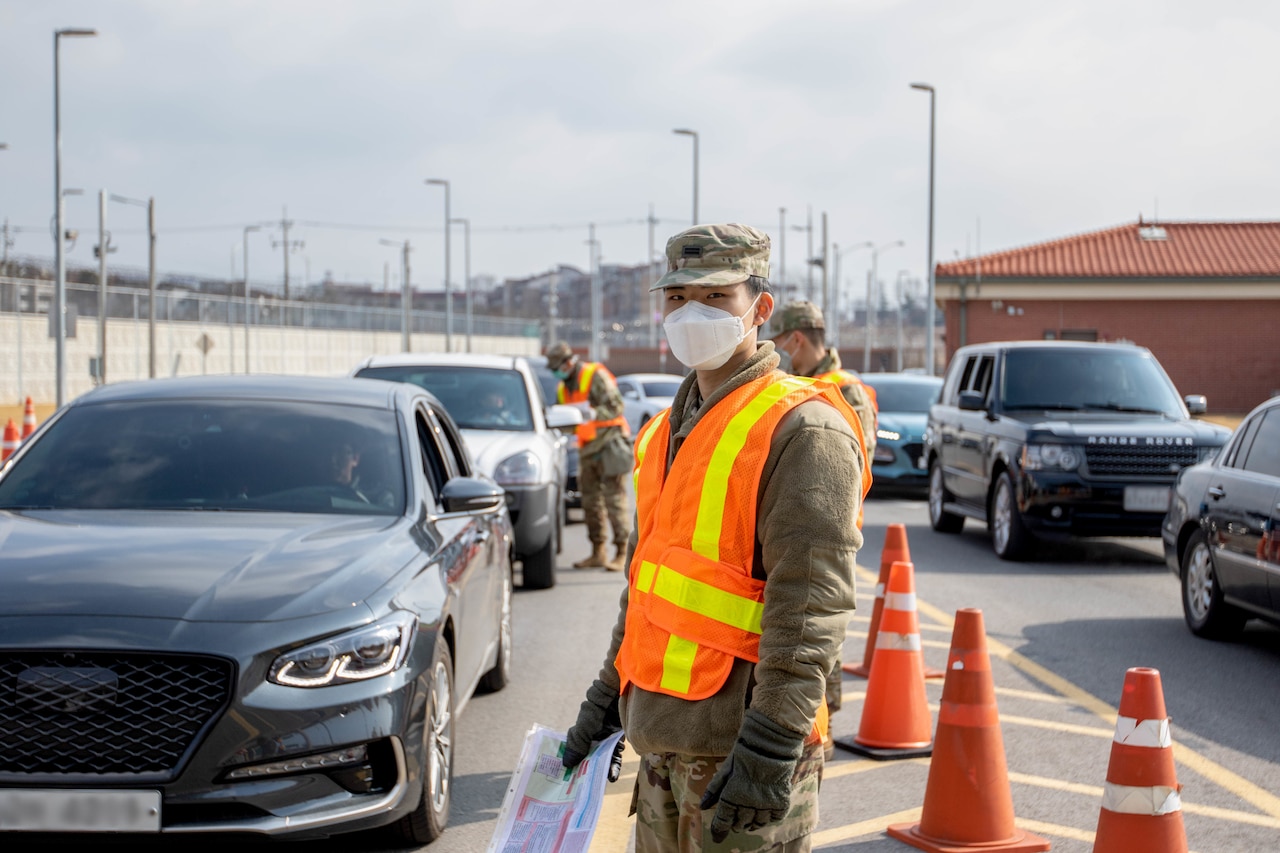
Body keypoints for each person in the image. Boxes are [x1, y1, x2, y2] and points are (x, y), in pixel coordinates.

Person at [560, 223, 869, 851]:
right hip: (662, 743)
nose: (690, 313)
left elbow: (811, 604)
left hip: (741, 752)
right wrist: (605, 701)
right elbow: (648, 590)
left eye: (714, 297)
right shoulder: (665, 433)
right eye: (677, 298)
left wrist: (772, 743)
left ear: (760, 309)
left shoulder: (803, 428)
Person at [545, 340, 632, 572]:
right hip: (587, 448)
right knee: (590, 503)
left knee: (614, 502)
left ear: (569, 362)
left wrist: (593, 413)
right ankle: (598, 552)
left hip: (610, 444)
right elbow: (567, 421)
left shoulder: (594, 375)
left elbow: (616, 407)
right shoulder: (563, 389)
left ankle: (622, 552)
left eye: (557, 367)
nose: (556, 372)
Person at [770, 300, 878, 464]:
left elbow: (859, 461)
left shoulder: (847, 389)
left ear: (797, 340)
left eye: (777, 343)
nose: (776, 349)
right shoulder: (792, 384)